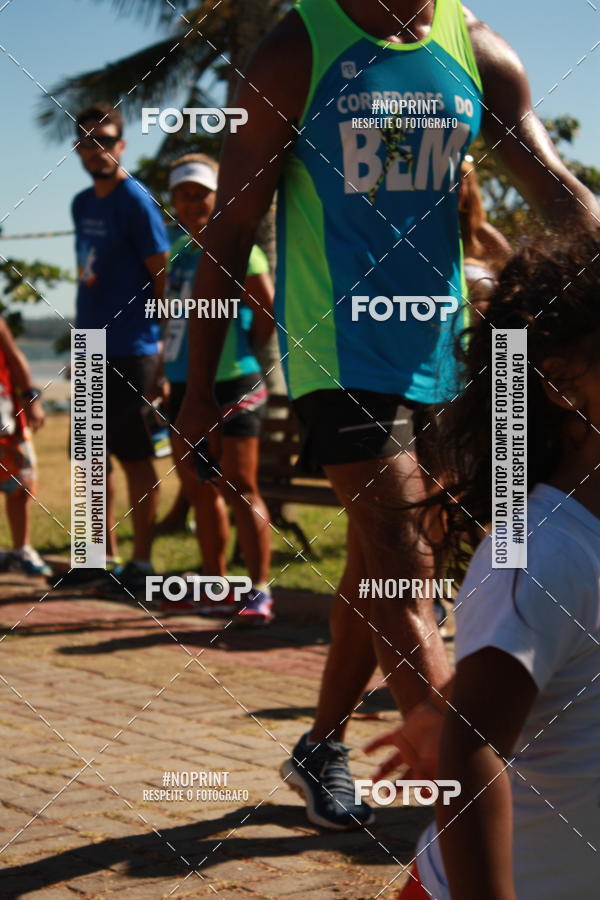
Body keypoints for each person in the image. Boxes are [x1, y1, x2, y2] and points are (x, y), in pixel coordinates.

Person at [176, 0, 599, 830]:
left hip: (442, 356)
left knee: (381, 562)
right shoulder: (298, 49)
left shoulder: (477, 51)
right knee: (407, 568)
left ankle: (320, 745)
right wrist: (198, 390)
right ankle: (468, 813)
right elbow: (230, 226)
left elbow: (557, 189)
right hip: (336, 351)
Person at [367, 232, 600, 898]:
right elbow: (471, 752)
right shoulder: (542, 551)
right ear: (562, 384)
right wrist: (457, 716)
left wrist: (446, 700)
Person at [161, 153, 276, 624]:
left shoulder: (240, 247)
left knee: (241, 487)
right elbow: (169, 317)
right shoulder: (177, 251)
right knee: (200, 488)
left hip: (233, 382)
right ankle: (215, 585)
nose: (193, 203)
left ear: (218, 196)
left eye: (201, 193)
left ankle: (259, 590)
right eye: (183, 195)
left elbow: (266, 310)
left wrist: (241, 349)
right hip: (183, 385)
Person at [65, 102, 169, 593]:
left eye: (105, 140)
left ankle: (141, 565)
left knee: (135, 458)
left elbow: (163, 279)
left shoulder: (136, 200)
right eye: (87, 142)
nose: (96, 149)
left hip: (134, 348)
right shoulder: (82, 203)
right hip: (90, 345)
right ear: (77, 149)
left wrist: (162, 354)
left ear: (121, 145)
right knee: (89, 458)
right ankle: (94, 559)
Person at [0, 318, 50, 576]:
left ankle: (22, 550)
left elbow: (13, 356)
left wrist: (31, 397)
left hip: (6, 419)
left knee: (21, 485)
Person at [459, 158, 511, 317]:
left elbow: (514, 277)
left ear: (469, 188)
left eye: (459, 182)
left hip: (482, 326)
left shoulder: (483, 233)